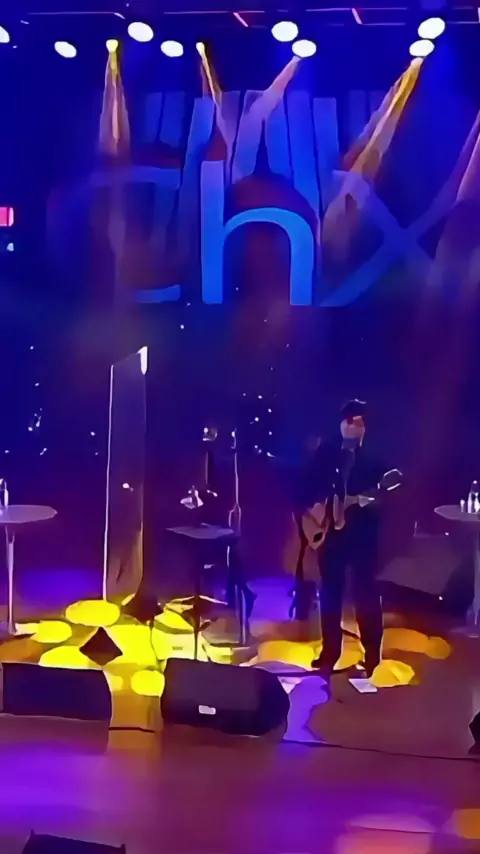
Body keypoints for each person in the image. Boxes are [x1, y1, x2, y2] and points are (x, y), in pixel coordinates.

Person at [297, 400, 402, 682]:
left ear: (364, 426)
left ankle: (372, 654)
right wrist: (318, 508)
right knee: (330, 592)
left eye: (356, 422)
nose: (350, 426)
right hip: (332, 532)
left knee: (365, 594)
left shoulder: (376, 455)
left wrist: (364, 501)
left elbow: (391, 487)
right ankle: (330, 651)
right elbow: (309, 484)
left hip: (362, 533)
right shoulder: (328, 451)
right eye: (346, 421)